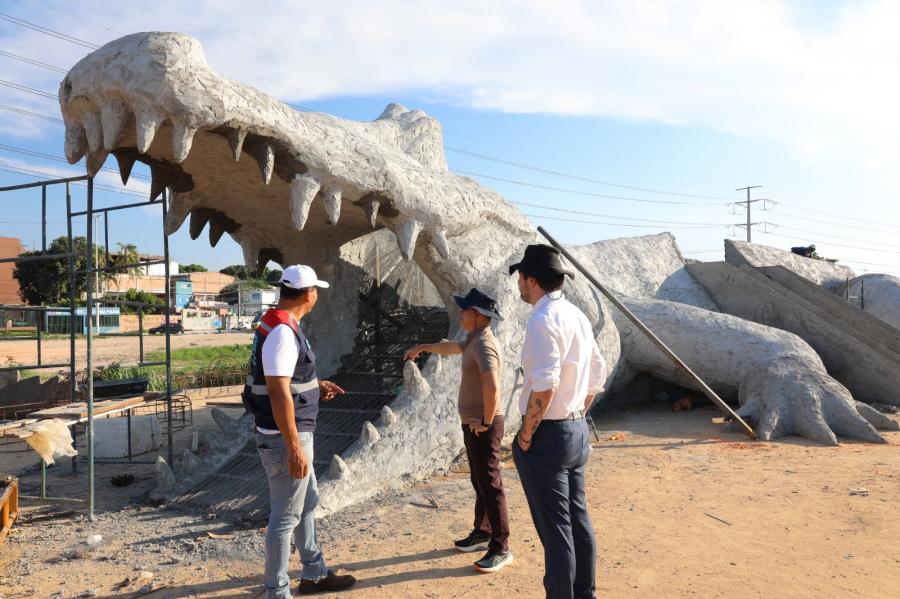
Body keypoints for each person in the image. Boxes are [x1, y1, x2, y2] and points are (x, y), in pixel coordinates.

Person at [242, 264, 356, 597]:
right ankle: (275, 592)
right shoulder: (281, 332)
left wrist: (312, 386)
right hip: (284, 438)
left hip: (285, 433)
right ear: (308, 294)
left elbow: (282, 380)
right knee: (285, 514)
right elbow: (277, 390)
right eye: (316, 290)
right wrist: (292, 446)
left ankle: (314, 573)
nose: (317, 294)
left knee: (307, 502)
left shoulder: (279, 323)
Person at [508, 244, 607, 599]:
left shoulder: (541, 320)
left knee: (556, 530)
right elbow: (597, 375)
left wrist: (526, 434)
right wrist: (575, 411)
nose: (519, 284)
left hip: (548, 434)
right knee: (577, 520)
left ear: (532, 280)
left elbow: (545, 386)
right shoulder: (575, 315)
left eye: (521, 277)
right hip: (576, 428)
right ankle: (585, 594)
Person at [403, 288, 513, 573]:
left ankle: (501, 548)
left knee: (490, 484)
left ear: (476, 315)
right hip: (476, 423)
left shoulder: (484, 345)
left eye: (464, 310)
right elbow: (452, 348)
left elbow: (492, 386)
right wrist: (424, 347)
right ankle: (483, 531)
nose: (460, 313)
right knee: (480, 481)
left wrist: (487, 422)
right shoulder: (474, 340)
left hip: (483, 425)